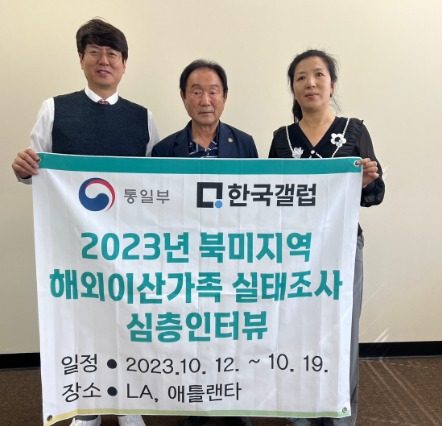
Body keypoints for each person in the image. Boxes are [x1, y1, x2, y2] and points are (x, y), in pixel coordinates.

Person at [11, 18, 160, 426]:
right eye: (95, 52)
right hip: (72, 242)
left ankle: (129, 403)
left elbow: (154, 184)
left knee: (129, 321)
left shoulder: (143, 118)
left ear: (124, 64)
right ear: (81, 59)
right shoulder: (54, 109)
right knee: (82, 324)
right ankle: (88, 407)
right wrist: (22, 169)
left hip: (129, 245)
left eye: (112, 54)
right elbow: (36, 170)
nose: (104, 60)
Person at [268, 49, 385, 426]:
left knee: (342, 332)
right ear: (293, 88)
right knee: (295, 329)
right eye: (301, 77)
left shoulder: (354, 131)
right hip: (295, 251)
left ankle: (340, 417)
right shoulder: (282, 139)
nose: (311, 83)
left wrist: (366, 181)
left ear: (332, 84)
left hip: (342, 247)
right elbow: (270, 200)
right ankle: (300, 414)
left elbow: (375, 194)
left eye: (319, 75)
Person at [152, 59, 257, 426]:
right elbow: (154, 211)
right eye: (196, 91)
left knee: (231, 331)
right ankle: (196, 403)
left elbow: (255, 205)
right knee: (192, 331)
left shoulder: (243, 144)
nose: (205, 100)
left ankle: (234, 405)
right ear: (183, 97)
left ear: (225, 96)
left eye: (213, 91)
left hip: (229, 256)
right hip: (185, 258)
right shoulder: (165, 149)